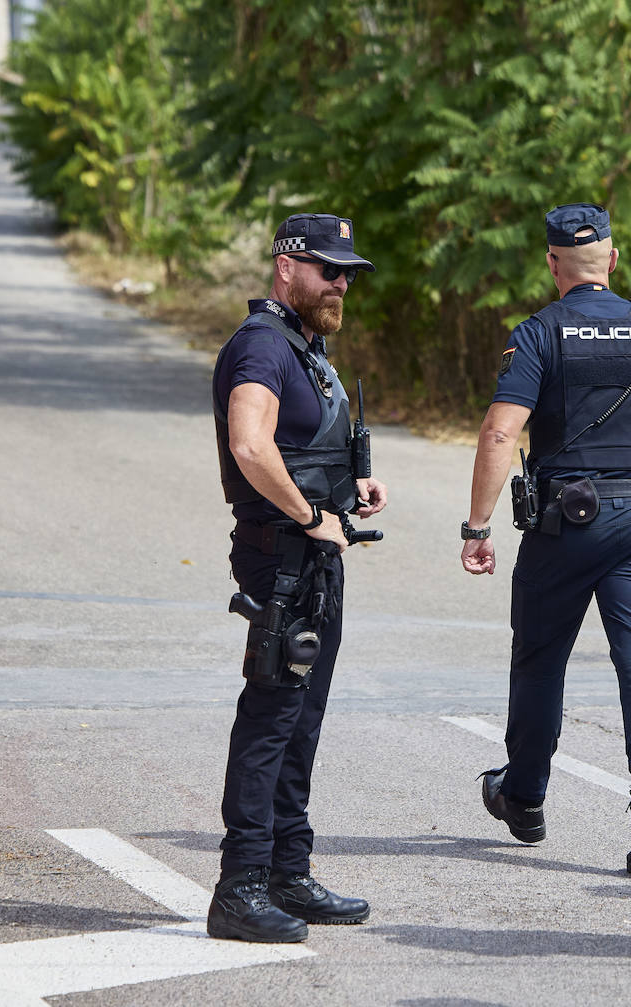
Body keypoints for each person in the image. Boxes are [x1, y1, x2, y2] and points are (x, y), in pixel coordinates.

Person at [460, 202, 631, 875]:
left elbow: (498, 433)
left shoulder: (539, 333)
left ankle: (526, 797)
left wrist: (478, 526)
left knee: (541, 660)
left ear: (552, 264)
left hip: (564, 523)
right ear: (613, 259)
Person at [207, 213, 386, 942]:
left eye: (347, 272)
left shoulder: (305, 346)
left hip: (312, 559)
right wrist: (312, 514)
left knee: (301, 721)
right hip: (281, 558)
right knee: (271, 719)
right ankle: (240, 885)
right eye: (328, 269)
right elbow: (250, 443)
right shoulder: (260, 346)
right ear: (287, 267)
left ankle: (288, 870)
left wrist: (353, 489)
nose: (341, 282)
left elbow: (298, 444)